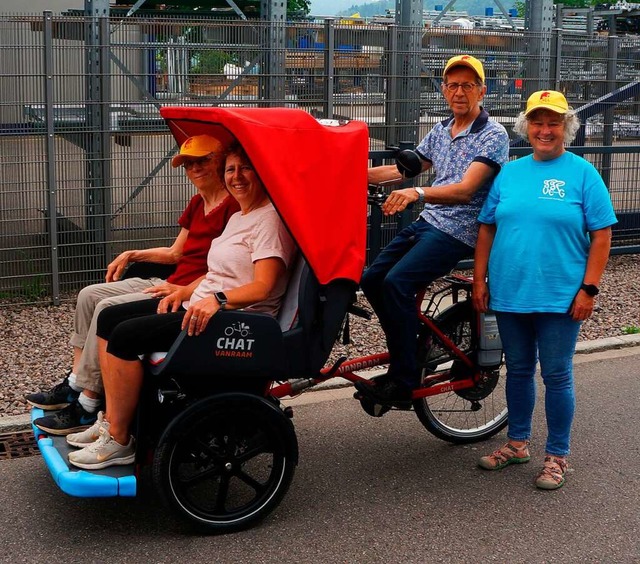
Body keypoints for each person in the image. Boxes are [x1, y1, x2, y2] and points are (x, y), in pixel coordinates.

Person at [65, 142, 297, 470]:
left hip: (236, 321)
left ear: (263, 172)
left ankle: (119, 440)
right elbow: (218, 273)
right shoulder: (242, 216)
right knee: (110, 317)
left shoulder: (270, 220)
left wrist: (216, 300)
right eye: (231, 169)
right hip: (204, 305)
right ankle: (112, 422)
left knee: (126, 336)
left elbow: (264, 286)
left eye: (246, 168)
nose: (237, 176)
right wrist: (183, 290)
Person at [28, 135, 240, 434]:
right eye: (188, 163)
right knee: (88, 295)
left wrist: (186, 290)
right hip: (168, 280)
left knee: (106, 308)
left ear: (222, 160)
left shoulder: (234, 207)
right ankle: (75, 383)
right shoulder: (197, 202)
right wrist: (132, 253)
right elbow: (176, 253)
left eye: (203, 160)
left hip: (185, 290)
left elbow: (228, 267)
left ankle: (87, 402)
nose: (194, 168)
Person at [473, 90, 617, 490]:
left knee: (556, 374)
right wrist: (479, 279)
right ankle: (517, 443)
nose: (545, 130)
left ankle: (557, 456)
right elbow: (487, 227)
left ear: (566, 127)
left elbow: (602, 234)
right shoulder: (510, 173)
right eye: (537, 122)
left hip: (560, 295)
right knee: (517, 370)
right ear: (527, 128)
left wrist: (589, 288)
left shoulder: (583, 173)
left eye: (553, 122)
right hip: (510, 292)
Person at [355, 54, 510, 403]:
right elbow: (404, 170)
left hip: (462, 230)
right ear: (443, 89)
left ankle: (404, 380)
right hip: (431, 222)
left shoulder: (492, 134)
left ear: (481, 91)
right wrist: (349, 174)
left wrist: (418, 192)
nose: (459, 92)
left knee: (397, 283)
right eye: (452, 85)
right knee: (372, 279)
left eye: (467, 85)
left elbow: (466, 189)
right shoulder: (440, 130)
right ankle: (409, 349)